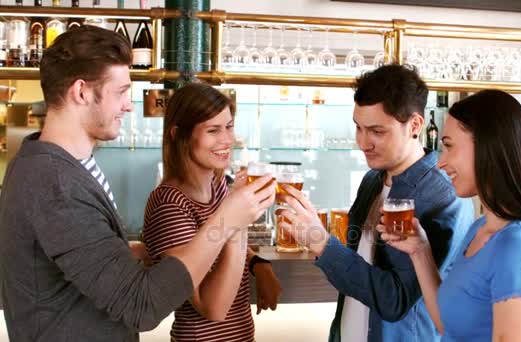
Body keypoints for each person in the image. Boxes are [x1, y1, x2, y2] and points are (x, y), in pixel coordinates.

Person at [0, 25, 275, 341]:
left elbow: (70, 253)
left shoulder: (53, 164)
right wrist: (229, 219)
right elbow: (142, 306)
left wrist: (122, 252)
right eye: (121, 92)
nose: (130, 105)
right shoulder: (57, 184)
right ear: (81, 92)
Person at [277, 64, 474, 342]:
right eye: (358, 128)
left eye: (376, 131)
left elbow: (395, 300)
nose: (362, 142)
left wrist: (321, 242)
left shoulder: (442, 195)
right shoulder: (372, 179)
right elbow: (360, 264)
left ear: (415, 126)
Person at [377, 90, 521, 341]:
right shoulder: (480, 229)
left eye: (449, 146)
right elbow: (449, 326)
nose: (441, 162)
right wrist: (420, 251)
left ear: (488, 146)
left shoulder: (518, 246)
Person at [142, 82, 282, 342]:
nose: (227, 139)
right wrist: (237, 221)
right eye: (213, 130)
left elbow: (216, 244)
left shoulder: (217, 184)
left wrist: (258, 265)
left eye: (229, 126)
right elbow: (212, 307)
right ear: (178, 134)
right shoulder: (169, 204)